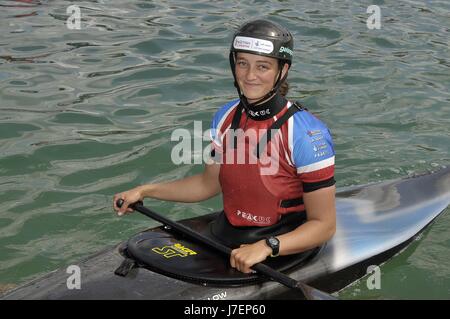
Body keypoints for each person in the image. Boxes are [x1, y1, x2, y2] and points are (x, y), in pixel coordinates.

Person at [113, 19, 336, 274]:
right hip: (225, 232)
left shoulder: (307, 133)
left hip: (283, 243)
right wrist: (145, 190)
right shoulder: (226, 116)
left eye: (262, 66)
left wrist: (268, 246)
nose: (250, 76)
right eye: (243, 63)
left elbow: (324, 225)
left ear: (282, 71)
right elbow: (207, 184)